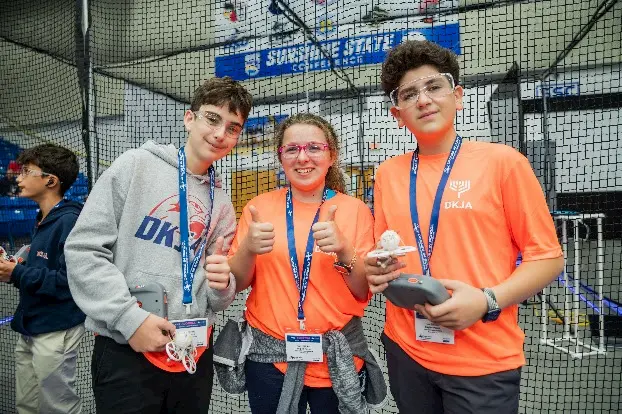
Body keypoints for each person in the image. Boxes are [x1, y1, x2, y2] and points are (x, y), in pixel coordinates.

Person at [364, 40, 565, 414]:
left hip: (482, 360)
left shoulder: (503, 163)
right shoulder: (388, 174)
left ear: (457, 97)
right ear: (398, 114)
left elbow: (548, 259)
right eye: (409, 94)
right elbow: (385, 249)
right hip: (406, 349)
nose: (423, 100)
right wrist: (375, 267)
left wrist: (487, 300)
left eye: (433, 87)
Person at [64, 76, 252, 414]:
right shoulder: (135, 166)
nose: (220, 133)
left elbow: (214, 297)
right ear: (189, 118)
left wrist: (223, 284)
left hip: (193, 352)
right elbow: (83, 250)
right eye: (212, 118)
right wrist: (129, 319)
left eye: (233, 127)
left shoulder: (222, 203)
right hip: (127, 347)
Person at [223, 113, 387, 414]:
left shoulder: (355, 211)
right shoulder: (259, 208)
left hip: (336, 357)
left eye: (314, 148)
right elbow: (238, 283)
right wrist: (247, 248)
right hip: (269, 356)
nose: (303, 158)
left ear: (331, 155)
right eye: (292, 149)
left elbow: (363, 291)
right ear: (280, 157)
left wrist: (343, 248)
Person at [0, 144, 85, 414]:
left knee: (57, 406)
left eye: (26, 171)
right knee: (27, 404)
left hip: (55, 328)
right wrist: (17, 266)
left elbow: (68, 282)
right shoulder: (44, 217)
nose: (19, 177)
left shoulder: (70, 221)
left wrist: (17, 273)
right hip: (30, 325)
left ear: (50, 180)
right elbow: (43, 264)